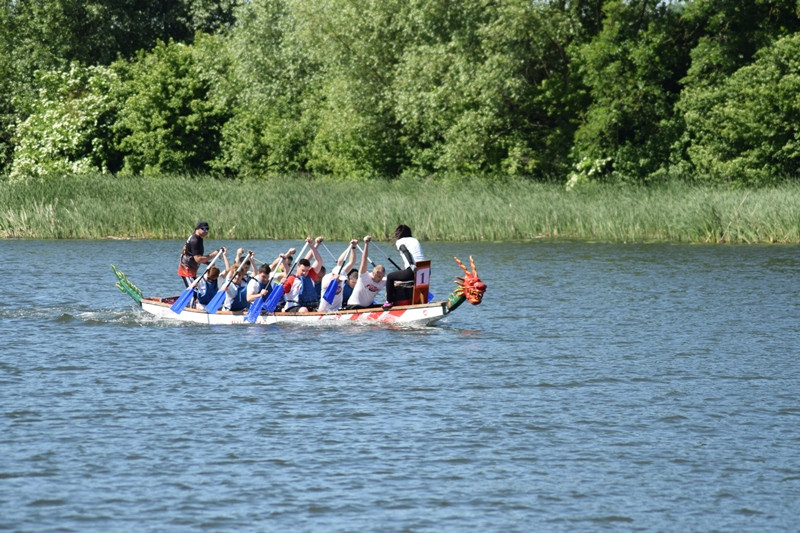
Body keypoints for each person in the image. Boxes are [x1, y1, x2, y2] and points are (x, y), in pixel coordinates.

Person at [383, 224, 425, 309]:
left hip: (413, 269)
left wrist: (411, 264)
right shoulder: (414, 240)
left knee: (390, 277)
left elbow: (405, 251)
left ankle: (389, 301)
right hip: (425, 268)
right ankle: (422, 301)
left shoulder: (400, 241)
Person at [282, 237, 324, 313]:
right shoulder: (291, 279)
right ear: (297, 268)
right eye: (303, 270)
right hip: (293, 307)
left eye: (307, 271)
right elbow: (280, 293)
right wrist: (282, 284)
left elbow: (319, 261)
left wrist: (312, 246)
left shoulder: (310, 275)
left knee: (320, 310)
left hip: (309, 306)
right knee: (304, 309)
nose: (305, 273)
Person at [346, 236, 386, 309]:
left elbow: (394, 279)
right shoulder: (364, 276)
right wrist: (366, 244)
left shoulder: (383, 281)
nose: (380, 279)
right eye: (379, 276)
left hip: (367, 307)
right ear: (373, 273)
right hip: (354, 306)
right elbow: (364, 260)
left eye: (382, 276)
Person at [178, 221, 222, 288]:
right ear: (197, 229)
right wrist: (215, 253)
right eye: (204, 229)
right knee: (193, 291)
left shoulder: (198, 238)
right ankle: (192, 298)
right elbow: (198, 259)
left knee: (197, 290)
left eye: (208, 229)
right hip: (186, 271)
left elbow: (193, 254)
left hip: (191, 270)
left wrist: (207, 262)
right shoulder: (195, 240)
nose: (206, 231)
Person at [318, 239, 358, 312]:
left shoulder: (341, 272)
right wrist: (333, 281)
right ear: (333, 275)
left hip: (337, 308)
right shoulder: (326, 278)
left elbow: (352, 262)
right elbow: (325, 286)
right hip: (324, 310)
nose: (341, 281)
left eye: (342, 280)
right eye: (340, 279)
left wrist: (352, 247)